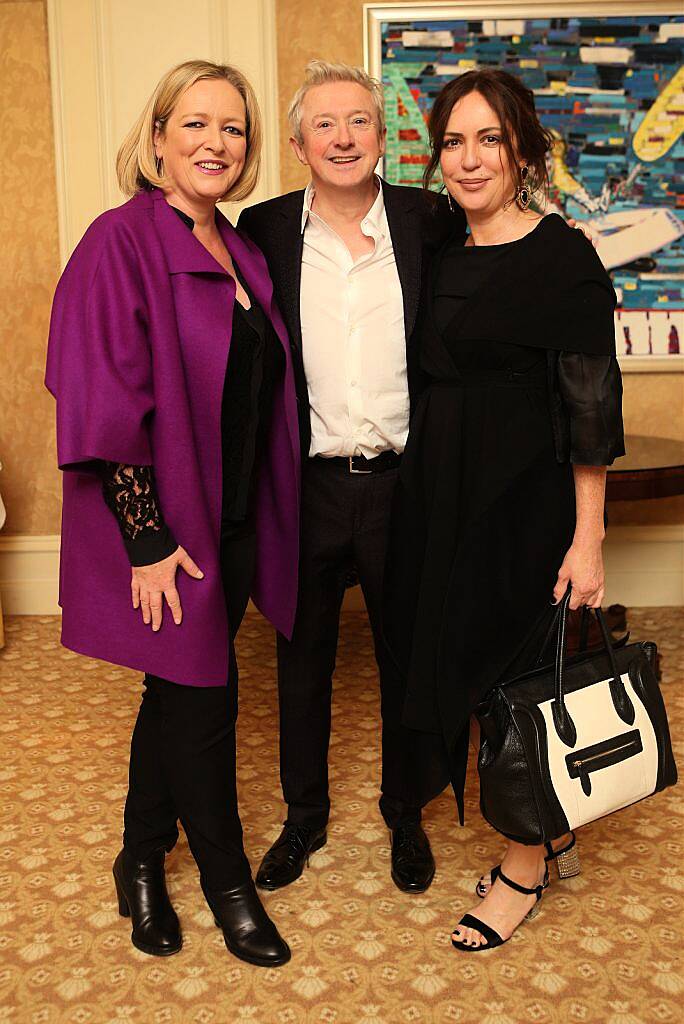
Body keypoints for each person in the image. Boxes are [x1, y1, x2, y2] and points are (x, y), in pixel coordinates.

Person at [45, 60, 300, 968]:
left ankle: (139, 858)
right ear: (157, 138)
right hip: (169, 531)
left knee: (173, 695)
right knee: (206, 705)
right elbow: (104, 396)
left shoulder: (241, 250)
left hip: (233, 519)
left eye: (231, 129)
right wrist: (148, 540)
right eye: (194, 125)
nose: (214, 143)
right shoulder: (121, 241)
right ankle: (227, 886)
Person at [383, 68, 624, 951]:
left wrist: (587, 540)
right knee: (463, 669)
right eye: (453, 140)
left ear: (522, 149)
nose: (470, 158)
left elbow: (591, 410)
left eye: (490, 139)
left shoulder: (563, 256)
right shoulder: (439, 247)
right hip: (439, 499)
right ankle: (542, 830)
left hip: (526, 508)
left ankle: (524, 865)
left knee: (518, 684)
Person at [238, 61, 458, 894]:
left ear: (382, 137)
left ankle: (406, 814)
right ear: (298, 144)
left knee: (409, 656)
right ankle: (304, 819)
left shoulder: (430, 220)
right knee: (302, 655)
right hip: (307, 484)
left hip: (406, 483)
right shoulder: (258, 232)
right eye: (323, 124)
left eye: (358, 121)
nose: (341, 137)